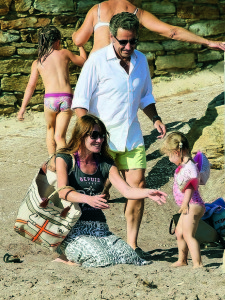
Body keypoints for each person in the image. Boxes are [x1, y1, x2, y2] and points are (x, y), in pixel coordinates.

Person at [72, 12, 166, 259]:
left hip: (132, 136)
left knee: (139, 186)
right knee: (97, 193)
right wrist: (88, 135)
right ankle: (85, 240)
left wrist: (155, 118)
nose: (128, 47)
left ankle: (132, 245)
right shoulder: (96, 61)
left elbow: (145, 96)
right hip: (101, 138)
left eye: (133, 41)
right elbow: (80, 102)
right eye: (123, 41)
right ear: (111, 36)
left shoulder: (141, 61)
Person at [55, 114, 167, 267]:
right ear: (81, 135)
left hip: (99, 227)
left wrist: (147, 192)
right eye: (94, 135)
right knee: (102, 260)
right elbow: (62, 191)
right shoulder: (65, 158)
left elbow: (127, 191)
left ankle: (70, 256)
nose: (99, 140)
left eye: (102, 136)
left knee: (130, 257)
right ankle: (65, 258)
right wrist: (88, 199)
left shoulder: (105, 162)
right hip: (72, 228)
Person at [17, 26, 87, 171]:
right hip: (66, 98)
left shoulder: (38, 62)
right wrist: (80, 46)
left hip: (50, 100)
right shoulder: (65, 53)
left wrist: (22, 109)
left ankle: (53, 162)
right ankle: (65, 165)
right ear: (57, 42)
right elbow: (83, 61)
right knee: (60, 136)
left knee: (50, 130)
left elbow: (31, 86)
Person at [72, 0, 225, 53]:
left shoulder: (97, 9)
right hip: (120, 66)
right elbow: (172, 32)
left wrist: (74, 34)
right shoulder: (136, 12)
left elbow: (79, 41)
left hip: (96, 66)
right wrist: (209, 42)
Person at [160, 131, 205, 268]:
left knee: (188, 234)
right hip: (188, 205)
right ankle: (182, 260)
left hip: (192, 204)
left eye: (169, 155)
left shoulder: (189, 167)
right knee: (179, 232)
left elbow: (191, 186)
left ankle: (198, 263)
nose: (169, 159)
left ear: (177, 151)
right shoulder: (185, 166)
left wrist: (185, 203)